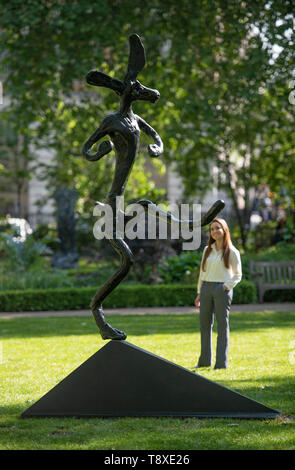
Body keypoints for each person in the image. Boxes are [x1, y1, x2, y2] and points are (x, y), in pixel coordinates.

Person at [194, 218, 242, 369]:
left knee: (222, 326)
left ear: (224, 230)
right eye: (212, 229)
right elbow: (202, 272)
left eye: (217, 228)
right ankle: (204, 361)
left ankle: (221, 364)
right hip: (206, 288)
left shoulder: (232, 252)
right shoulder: (207, 250)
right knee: (204, 325)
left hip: (222, 289)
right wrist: (199, 292)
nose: (215, 231)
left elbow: (238, 274)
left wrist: (226, 287)